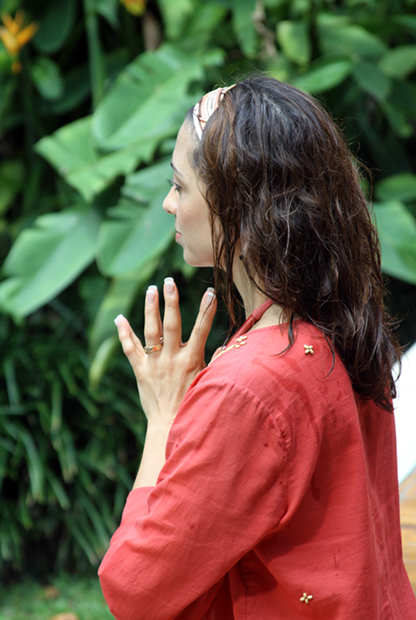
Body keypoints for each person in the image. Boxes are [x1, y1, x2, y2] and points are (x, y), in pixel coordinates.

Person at [98, 76, 416, 619]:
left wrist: (164, 415)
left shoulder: (249, 388)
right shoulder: (340, 327)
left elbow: (134, 589)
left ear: (242, 217)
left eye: (181, 186)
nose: (169, 205)